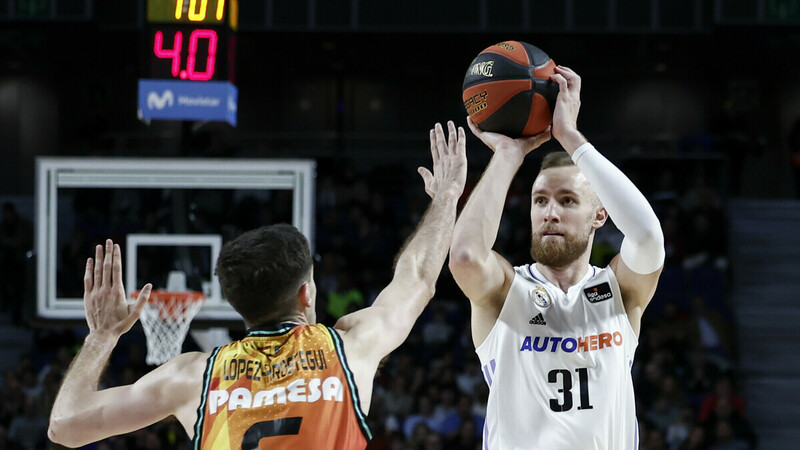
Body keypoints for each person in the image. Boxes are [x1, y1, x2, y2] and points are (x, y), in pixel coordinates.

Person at [47, 121, 467, 449]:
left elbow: (65, 426)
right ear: (306, 294)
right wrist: (446, 197)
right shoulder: (350, 347)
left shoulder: (195, 376)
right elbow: (417, 277)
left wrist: (101, 336)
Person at [448, 65, 665, 448]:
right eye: (540, 200)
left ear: (600, 215)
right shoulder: (506, 290)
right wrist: (508, 155)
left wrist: (570, 138)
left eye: (567, 201)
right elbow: (465, 256)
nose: (550, 212)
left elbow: (647, 236)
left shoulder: (618, 290)